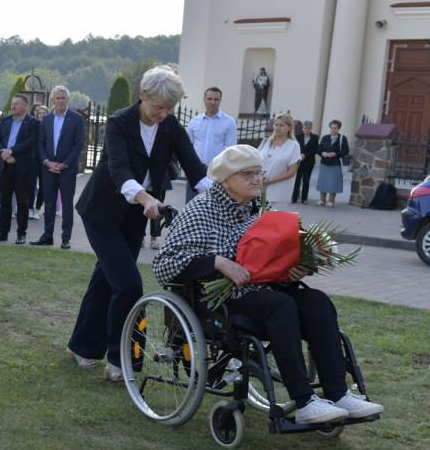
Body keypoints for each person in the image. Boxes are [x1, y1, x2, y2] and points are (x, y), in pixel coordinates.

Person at [153, 145, 384, 423]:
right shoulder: (201, 209)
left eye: (259, 173)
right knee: (281, 305)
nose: (256, 180)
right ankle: (305, 400)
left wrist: (294, 268)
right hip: (221, 301)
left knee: (317, 302)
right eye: (247, 174)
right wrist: (217, 261)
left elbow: (274, 257)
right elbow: (164, 265)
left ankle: (337, 393)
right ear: (225, 179)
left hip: (266, 290)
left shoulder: (261, 208)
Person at [67, 65, 209, 380]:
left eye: (170, 108)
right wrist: (146, 199)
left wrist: (222, 194)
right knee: (129, 284)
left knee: (107, 279)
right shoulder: (119, 122)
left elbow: (194, 166)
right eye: (158, 107)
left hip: (134, 217)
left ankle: (81, 346)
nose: (163, 114)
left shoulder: (170, 125)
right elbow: (119, 170)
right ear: (143, 96)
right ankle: (122, 362)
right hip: (102, 213)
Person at [32, 86, 84, 249]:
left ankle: (65, 238)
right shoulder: (47, 119)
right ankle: (47, 236)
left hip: (67, 169)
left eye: (63, 98)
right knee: (49, 203)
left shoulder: (76, 119)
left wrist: (63, 164)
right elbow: (40, 142)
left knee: (67, 204)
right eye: (57, 98)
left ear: (67, 99)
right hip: (48, 167)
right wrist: (46, 162)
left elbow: (78, 145)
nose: (60, 101)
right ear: (52, 100)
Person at [0, 94, 40, 244]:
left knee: (22, 202)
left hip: (22, 167)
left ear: (25, 106)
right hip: (5, 165)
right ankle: (2, 233)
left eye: (16, 104)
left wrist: (12, 152)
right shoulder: (5, 120)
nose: (13, 106)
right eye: (12, 103)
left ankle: (21, 234)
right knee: (5, 201)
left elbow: (31, 142)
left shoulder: (33, 123)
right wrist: (5, 154)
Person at [184, 86, 236, 204]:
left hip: (217, 173)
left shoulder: (229, 122)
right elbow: (188, 148)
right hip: (195, 171)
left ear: (220, 100)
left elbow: (230, 150)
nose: (212, 102)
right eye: (209, 99)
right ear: (204, 99)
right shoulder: (194, 122)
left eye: (216, 99)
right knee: (191, 206)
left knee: (214, 207)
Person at [257, 112, 301, 204]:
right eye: (276, 124)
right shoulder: (266, 142)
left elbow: (292, 172)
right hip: (259, 189)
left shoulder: (293, 146)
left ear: (289, 127)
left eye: (281, 125)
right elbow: (256, 162)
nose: (277, 127)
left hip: (279, 191)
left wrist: (270, 181)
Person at [316, 119, 349, 207]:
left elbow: (346, 151)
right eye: (332, 128)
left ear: (338, 129)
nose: (333, 130)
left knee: (333, 182)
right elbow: (319, 149)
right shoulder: (325, 138)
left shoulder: (342, 138)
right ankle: (322, 199)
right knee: (323, 181)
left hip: (336, 164)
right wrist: (322, 153)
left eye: (335, 128)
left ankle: (331, 200)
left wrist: (335, 154)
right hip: (324, 163)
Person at [292, 120, 319, 204]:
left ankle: (304, 198)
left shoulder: (315, 137)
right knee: (297, 180)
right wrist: (300, 155)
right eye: (305, 128)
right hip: (299, 161)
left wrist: (305, 155)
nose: (306, 129)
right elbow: (295, 148)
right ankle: (294, 198)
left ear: (311, 129)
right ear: (302, 128)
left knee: (306, 180)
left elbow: (315, 149)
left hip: (309, 162)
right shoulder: (297, 136)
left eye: (308, 128)